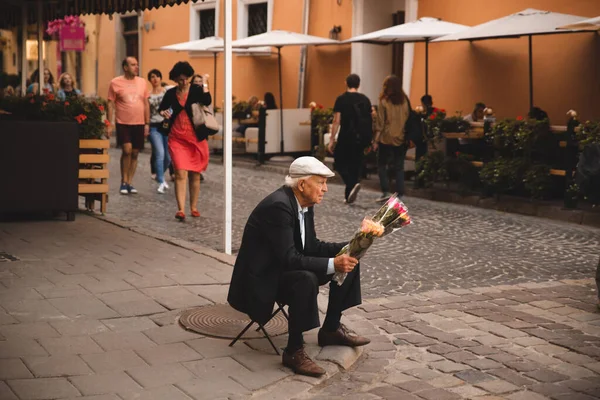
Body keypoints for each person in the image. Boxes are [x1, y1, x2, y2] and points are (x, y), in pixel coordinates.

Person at [228, 156, 370, 378]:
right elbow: (290, 258)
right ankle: (294, 350)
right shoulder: (279, 206)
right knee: (306, 278)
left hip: (282, 268)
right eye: (321, 183)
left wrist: (353, 244)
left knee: (350, 258)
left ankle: (331, 329)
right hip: (262, 279)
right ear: (302, 184)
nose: (325, 189)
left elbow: (311, 246)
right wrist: (334, 263)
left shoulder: (304, 203)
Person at [159, 61, 211, 221]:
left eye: (185, 79)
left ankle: (193, 207)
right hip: (177, 138)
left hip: (196, 137)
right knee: (180, 172)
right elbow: (162, 109)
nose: (183, 82)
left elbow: (207, 100)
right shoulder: (170, 93)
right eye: (180, 79)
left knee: (195, 174)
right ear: (175, 79)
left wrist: (205, 84)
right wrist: (165, 113)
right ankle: (180, 209)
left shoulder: (196, 90)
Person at [106, 57, 150, 195]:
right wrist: (109, 123)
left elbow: (146, 103)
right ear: (125, 67)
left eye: (137, 64)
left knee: (135, 152)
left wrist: (147, 123)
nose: (136, 67)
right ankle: (123, 181)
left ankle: (130, 182)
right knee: (127, 150)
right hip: (123, 122)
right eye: (133, 65)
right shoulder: (115, 83)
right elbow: (110, 103)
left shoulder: (142, 82)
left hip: (139, 122)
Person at [328, 73, 372, 204]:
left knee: (339, 163)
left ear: (346, 83)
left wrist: (331, 139)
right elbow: (370, 120)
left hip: (346, 135)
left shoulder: (341, 99)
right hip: (361, 138)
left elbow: (337, 121)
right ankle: (349, 195)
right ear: (358, 85)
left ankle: (351, 184)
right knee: (354, 164)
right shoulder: (365, 99)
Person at [373, 75, 409, 202]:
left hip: (386, 138)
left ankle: (385, 191)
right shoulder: (405, 101)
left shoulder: (384, 101)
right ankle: (400, 192)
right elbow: (407, 118)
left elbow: (380, 123)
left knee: (382, 165)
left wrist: (376, 140)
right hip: (400, 137)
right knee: (399, 166)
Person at [147, 69, 171, 194]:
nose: (155, 79)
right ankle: (161, 181)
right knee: (159, 153)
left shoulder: (166, 92)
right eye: (152, 77)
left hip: (166, 125)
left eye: (157, 76)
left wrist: (169, 114)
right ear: (150, 80)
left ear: (161, 78)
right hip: (154, 126)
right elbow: (146, 111)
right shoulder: (148, 95)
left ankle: (158, 174)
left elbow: (173, 106)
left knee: (168, 157)